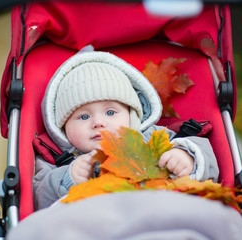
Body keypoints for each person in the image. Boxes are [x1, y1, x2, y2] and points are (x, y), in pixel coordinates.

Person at [33, 51, 219, 210]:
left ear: (132, 115)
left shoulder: (150, 138)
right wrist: (67, 179)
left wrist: (187, 157)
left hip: (157, 212)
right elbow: (37, 200)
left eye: (111, 112)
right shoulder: (58, 159)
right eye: (83, 116)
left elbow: (206, 157)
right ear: (63, 127)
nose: (98, 122)